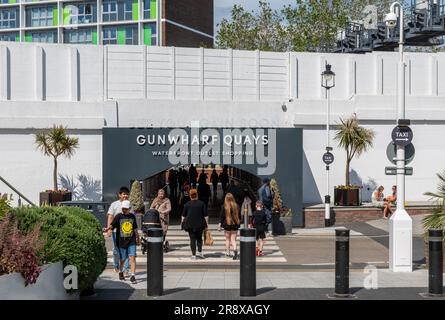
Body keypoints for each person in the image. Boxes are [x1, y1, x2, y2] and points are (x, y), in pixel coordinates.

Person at [106, 200, 140, 284]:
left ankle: (132, 276)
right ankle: (121, 271)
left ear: (129, 208)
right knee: (123, 259)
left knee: (132, 257)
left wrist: (137, 238)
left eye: (126, 209)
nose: (124, 210)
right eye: (123, 209)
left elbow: (135, 228)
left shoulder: (132, 216)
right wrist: (108, 229)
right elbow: (112, 225)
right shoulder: (118, 216)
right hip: (121, 241)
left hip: (131, 240)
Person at [107, 186, 130, 274]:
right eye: (124, 194)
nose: (125, 196)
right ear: (119, 195)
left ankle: (126, 269)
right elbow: (110, 216)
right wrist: (109, 229)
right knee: (117, 250)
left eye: (127, 194)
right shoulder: (114, 204)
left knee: (127, 250)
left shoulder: (129, 204)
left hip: (127, 232)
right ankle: (116, 265)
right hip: (116, 232)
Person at [181, 189, 209, 259]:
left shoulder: (187, 204)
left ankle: (193, 255)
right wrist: (207, 224)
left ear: (190, 196)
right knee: (199, 239)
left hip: (190, 224)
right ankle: (200, 253)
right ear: (197, 195)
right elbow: (206, 215)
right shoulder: (202, 203)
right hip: (200, 224)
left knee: (192, 239)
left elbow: (183, 216)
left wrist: (182, 223)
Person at [218, 192, 241, 260]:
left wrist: (219, 224)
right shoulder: (237, 206)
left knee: (227, 239)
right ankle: (235, 250)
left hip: (227, 224)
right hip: (235, 224)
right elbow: (239, 216)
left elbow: (221, 216)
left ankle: (228, 253)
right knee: (233, 240)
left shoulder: (224, 206)